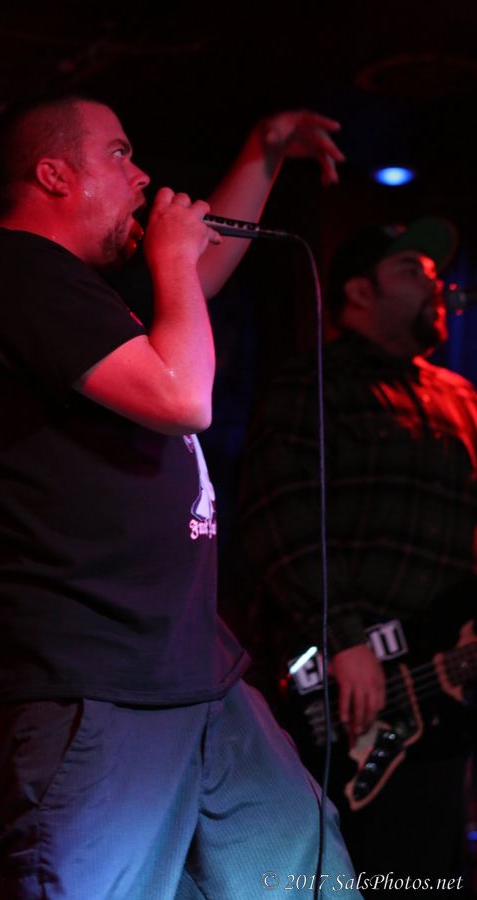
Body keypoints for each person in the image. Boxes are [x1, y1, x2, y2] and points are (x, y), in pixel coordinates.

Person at [0, 93, 360, 899]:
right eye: (120, 154)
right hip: (94, 679)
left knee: (308, 883)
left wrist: (265, 147)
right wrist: (170, 260)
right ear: (54, 175)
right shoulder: (11, 273)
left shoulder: (76, 291)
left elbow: (198, 281)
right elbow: (183, 396)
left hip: (194, 671)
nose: (142, 176)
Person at [238, 219, 477, 893]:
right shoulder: (313, 382)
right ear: (359, 291)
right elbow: (277, 515)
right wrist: (343, 638)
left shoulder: (462, 398)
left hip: (442, 698)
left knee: (431, 869)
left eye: (437, 273)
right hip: (342, 687)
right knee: (354, 870)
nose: (436, 284)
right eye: (412, 270)